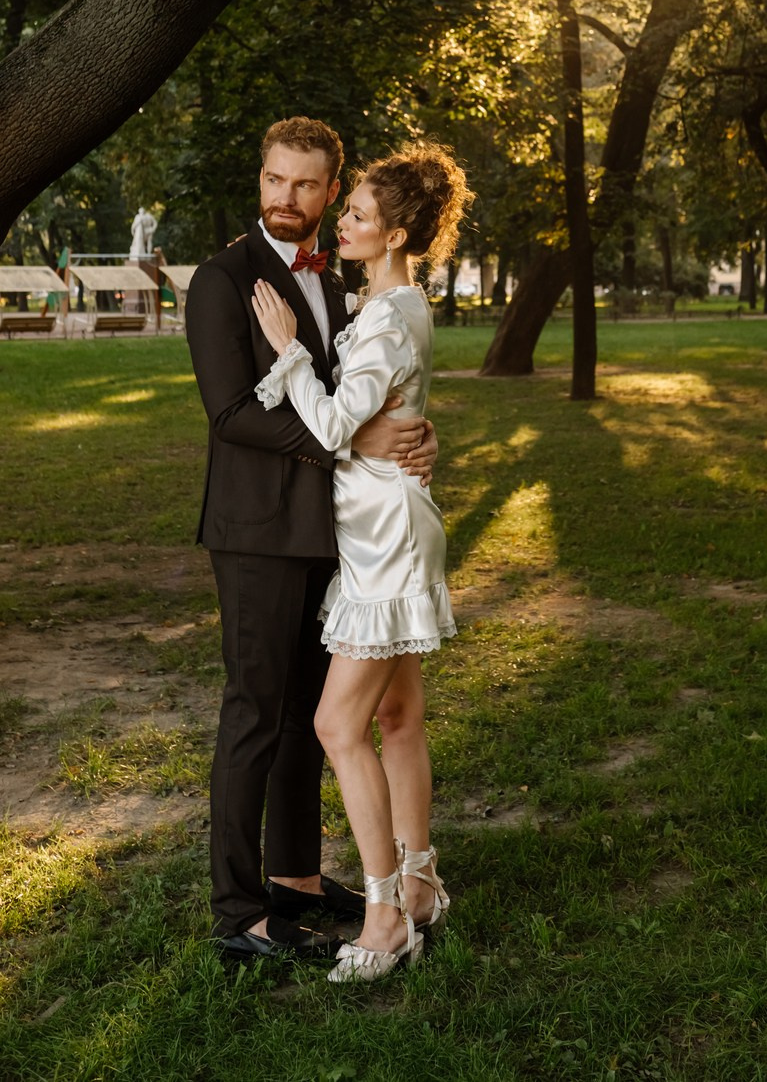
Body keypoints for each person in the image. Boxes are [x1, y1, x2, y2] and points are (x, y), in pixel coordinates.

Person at [185, 117, 438, 966]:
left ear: (333, 193)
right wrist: (346, 441)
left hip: (338, 531)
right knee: (255, 712)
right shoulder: (224, 280)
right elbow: (230, 413)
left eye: (304, 185)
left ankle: (295, 878)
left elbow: (368, 388)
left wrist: (414, 432)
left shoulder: (350, 283)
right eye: (272, 181)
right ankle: (237, 910)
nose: (284, 199)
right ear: (259, 180)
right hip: (257, 531)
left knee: (306, 715)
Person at [252, 141, 471, 982]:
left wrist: (287, 349)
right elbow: (389, 408)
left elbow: (339, 424)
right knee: (397, 718)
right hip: (391, 517)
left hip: (383, 531)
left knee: (336, 724)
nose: (339, 219)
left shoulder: (385, 313)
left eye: (355, 214)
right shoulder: (398, 303)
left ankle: (383, 919)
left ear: (396, 231)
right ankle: (419, 885)